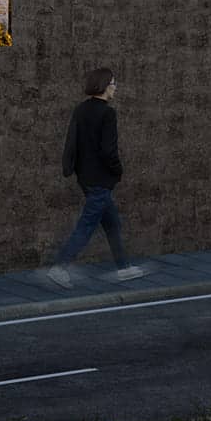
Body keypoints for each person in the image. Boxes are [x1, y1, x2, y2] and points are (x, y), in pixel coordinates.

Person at [43, 65, 145, 285]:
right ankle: (60, 267)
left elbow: (72, 142)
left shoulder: (81, 110)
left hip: (86, 178)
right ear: (105, 85)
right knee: (87, 225)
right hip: (101, 179)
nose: (115, 87)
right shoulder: (108, 113)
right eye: (113, 83)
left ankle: (123, 267)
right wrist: (118, 170)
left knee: (112, 223)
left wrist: (71, 169)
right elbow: (108, 150)